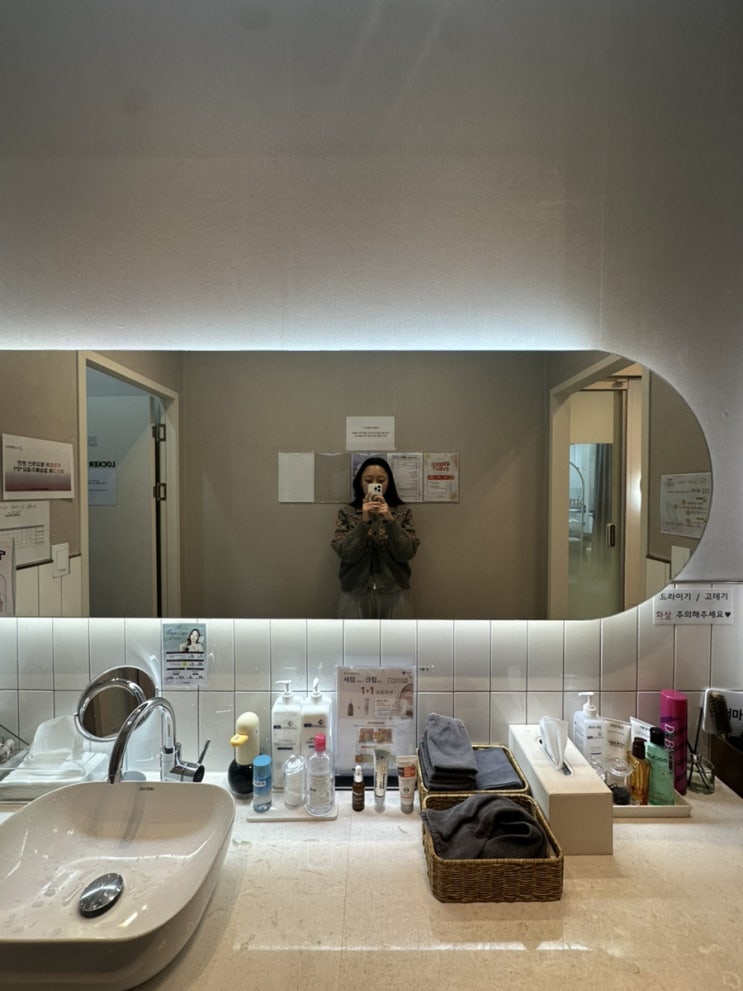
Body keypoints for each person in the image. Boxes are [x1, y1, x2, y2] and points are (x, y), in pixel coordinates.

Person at [332, 456, 420, 619]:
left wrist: (389, 519)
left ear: (389, 482)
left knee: (397, 635)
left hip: (395, 590)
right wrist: (363, 522)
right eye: (368, 480)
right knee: (354, 636)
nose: (374, 485)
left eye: (381, 480)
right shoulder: (347, 512)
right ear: (360, 482)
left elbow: (407, 552)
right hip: (355, 590)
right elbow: (347, 554)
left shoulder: (402, 512)